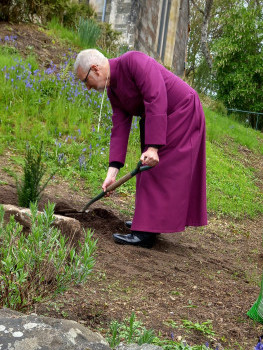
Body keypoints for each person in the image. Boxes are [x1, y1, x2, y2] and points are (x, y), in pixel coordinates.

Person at [73, 49, 207, 248]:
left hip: (181, 110)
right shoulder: (113, 89)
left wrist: (153, 147)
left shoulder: (134, 62)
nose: (86, 87)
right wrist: (112, 171)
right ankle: (147, 222)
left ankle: (145, 232)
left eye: (85, 80)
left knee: (157, 169)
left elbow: (156, 97)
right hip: (161, 117)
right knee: (148, 167)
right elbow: (119, 127)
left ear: (95, 69)